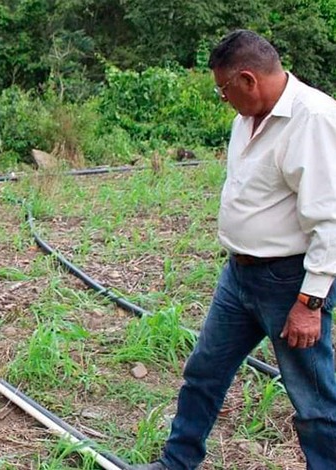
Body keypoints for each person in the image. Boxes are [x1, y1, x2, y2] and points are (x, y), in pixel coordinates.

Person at [135, 30, 336, 470]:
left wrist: (310, 303)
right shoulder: (245, 119)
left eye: (223, 89)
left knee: (314, 400)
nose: (223, 99)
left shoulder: (314, 119)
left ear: (248, 79)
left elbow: (330, 219)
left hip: (289, 283)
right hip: (239, 277)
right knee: (204, 372)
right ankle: (177, 462)